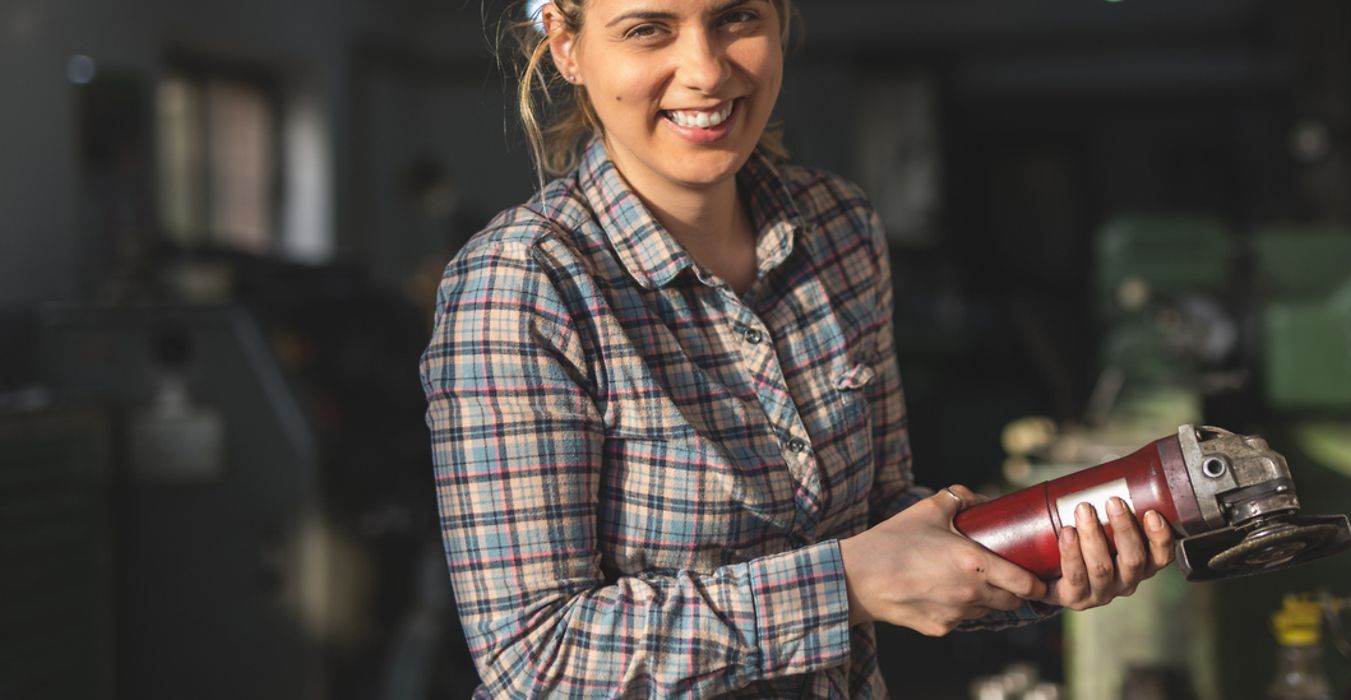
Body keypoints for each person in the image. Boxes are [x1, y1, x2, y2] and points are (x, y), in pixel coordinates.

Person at [417, 0, 1176, 696]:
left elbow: (884, 517)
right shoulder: (524, 286)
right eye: (649, 28)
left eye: (737, 17)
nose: (708, 70)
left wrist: (1041, 559)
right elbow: (535, 658)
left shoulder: (837, 228)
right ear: (565, 45)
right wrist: (842, 585)